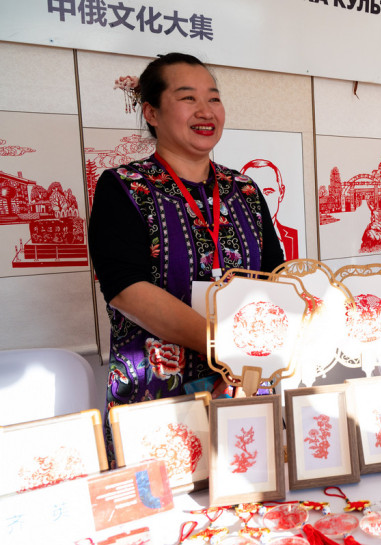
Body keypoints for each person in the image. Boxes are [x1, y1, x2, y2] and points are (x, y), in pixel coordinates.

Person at [88, 53, 285, 459]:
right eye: (187, 98)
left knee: (256, 483)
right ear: (152, 113)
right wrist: (229, 353)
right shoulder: (123, 187)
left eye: (213, 98)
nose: (205, 111)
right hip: (158, 395)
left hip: (246, 387)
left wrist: (251, 365)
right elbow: (125, 289)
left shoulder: (245, 190)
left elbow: (275, 280)